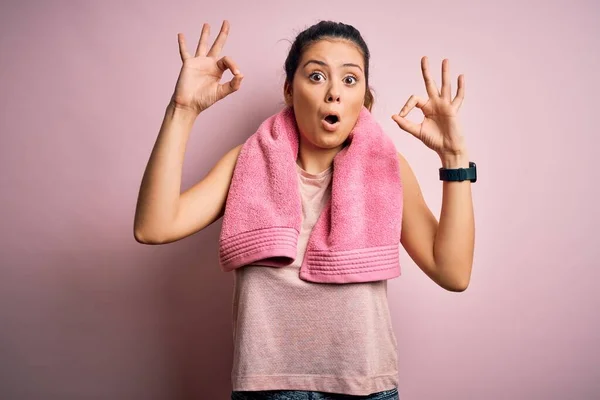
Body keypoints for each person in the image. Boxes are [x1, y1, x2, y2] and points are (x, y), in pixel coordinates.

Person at [134, 19, 475, 400]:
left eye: (350, 80)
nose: (334, 93)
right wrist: (182, 110)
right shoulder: (246, 162)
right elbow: (154, 227)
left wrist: (454, 155)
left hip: (365, 390)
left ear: (363, 97)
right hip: (266, 390)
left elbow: (453, 273)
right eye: (316, 76)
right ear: (289, 90)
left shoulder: (387, 169)